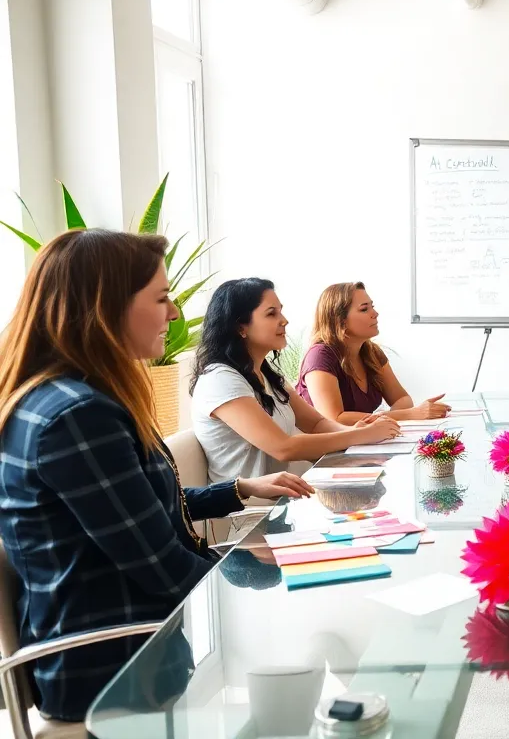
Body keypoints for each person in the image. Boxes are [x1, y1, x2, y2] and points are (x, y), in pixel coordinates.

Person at [0, 231, 313, 722]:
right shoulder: (79, 417)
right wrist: (278, 578)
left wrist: (238, 490)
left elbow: (133, 510)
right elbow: (165, 568)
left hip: (133, 643)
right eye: (162, 298)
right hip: (113, 670)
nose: (174, 313)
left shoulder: (74, 399)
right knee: (298, 688)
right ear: (105, 308)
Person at [191, 278, 400, 483]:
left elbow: (316, 423)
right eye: (271, 314)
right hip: (249, 511)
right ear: (240, 328)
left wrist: (356, 431)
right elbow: (283, 447)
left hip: (283, 499)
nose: (284, 320)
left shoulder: (265, 374)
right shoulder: (220, 380)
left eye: (280, 311)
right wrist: (361, 435)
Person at [296, 281, 450, 424]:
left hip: (360, 443)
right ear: (340, 320)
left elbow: (402, 399)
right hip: (325, 451)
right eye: (364, 309)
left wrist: (387, 421)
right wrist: (407, 415)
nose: (375, 313)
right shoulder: (320, 356)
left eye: (372, 306)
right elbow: (334, 418)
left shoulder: (371, 352)